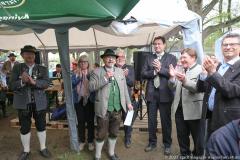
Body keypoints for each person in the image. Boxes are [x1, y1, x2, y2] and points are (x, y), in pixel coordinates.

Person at [89, 49, 133, 160]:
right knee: (101, 133)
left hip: (117, 108)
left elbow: (124, 90)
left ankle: (111, 153)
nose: (110, 59)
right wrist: (105, 78)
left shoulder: (120, 71)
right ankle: (98, 155)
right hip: (103, 108)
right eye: (108, 57)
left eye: (112, 57)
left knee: (114, 132)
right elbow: (91, 87)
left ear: (115, 59)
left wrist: (128, 103)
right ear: (103, 59)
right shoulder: (97, 71)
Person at [10, 45, 51, 160]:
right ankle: (26, 150)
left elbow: (47, 83)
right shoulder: (17, 68)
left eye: (32, 54)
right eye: (27, 54)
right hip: (23, 103)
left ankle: (43, 148)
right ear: (22, 55)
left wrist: (35, 82)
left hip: (39, 103)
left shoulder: (42, 68)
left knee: (41, 125)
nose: (30, 56)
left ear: (35, 55)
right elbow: (11, 85)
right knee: (24, 127)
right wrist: (21, 82)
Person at [197, 33, 240, 138]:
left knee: (225, 151)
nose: (228, 47)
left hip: (228, 120)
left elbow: (231, 90)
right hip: (210, 116)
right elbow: (203, 89)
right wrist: (204, 74)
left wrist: (212, 72)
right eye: (225, 45)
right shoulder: (219, 66)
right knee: (210, 149)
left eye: (232, 44)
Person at [141, 36, 177, 155]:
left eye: (159, 44)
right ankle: (152, 142)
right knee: (151, 121)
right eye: (155, 44)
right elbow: (143, 73)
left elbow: (172, 73)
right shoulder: (148, 57)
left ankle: (167, 144)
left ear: (164, 45)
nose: (157, 46)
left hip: (165, 93)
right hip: (151, 93)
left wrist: (160, 69)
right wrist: (154, 72)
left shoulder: (171, 58)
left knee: (165, 121)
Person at [168, 48, 205, 158]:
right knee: (182, 135)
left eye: (185, 57)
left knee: (197, 137)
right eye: (181, 57)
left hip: (194, 110)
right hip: (179, 109)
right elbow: (172, 86)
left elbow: (198, 88)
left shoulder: (200, 70)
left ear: (193, 57)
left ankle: (198, 155)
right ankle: (184, 154)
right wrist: (171, 77)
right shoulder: (181, 69)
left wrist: (184, 80)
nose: (182, 59)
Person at [71, 55, 95, 151]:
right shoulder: (75, 73)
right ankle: (82, 141)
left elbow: (94, 86)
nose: (83, 64)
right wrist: (79, 78)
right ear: (79, 63)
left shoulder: (92, 73)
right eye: (81, 62)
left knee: (90, 122)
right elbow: (72, 84)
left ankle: (90, 141)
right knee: (80, 121)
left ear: (88, 63)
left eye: (85, 62)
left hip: (90, 100)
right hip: (79, 100)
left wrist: (87, 76)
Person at [115, 49, 135, 148]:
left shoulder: (130, 68)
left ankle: (127, 138)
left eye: (122, 57)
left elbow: (131, 83)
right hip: (114, 99)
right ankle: (112, 137)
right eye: (118, 57)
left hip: (127, 99)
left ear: (125, 58)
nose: (120, 59)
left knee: (127, 119)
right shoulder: (112, 68)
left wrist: (125, 76)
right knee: (114, 119)